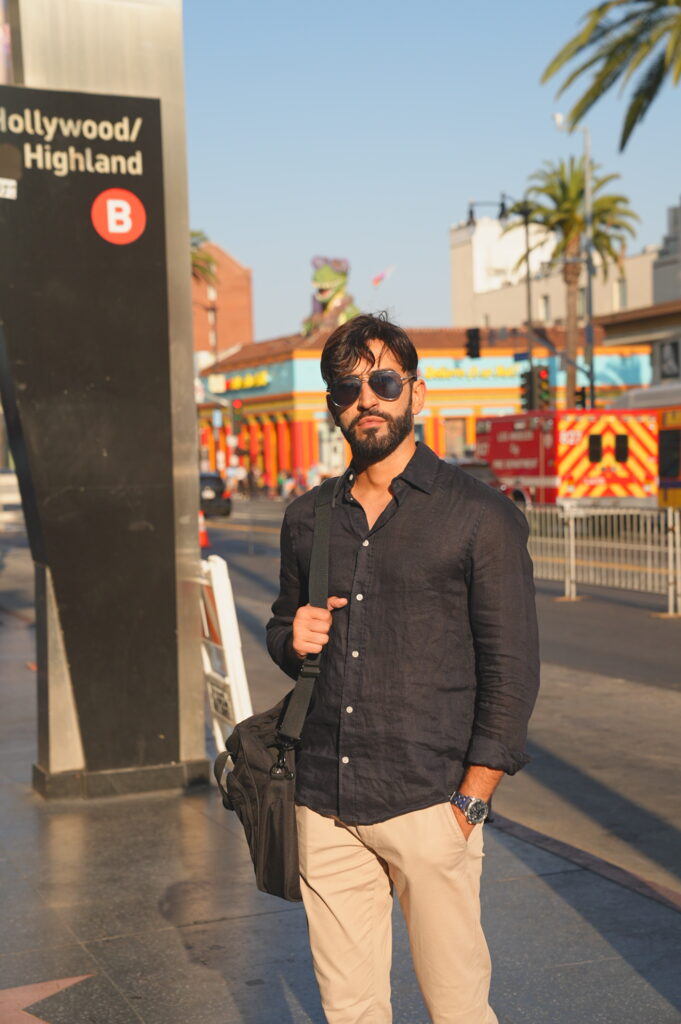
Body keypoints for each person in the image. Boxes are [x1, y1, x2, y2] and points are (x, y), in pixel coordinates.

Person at [266, 313, 539, 1024]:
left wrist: (470, 804)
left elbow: (511, 671)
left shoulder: (479, 517)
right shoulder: (306, 518)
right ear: (333, 405)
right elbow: (280, 627)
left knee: (456, 1008)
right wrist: (290, 637)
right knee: (349, 1010)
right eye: (349, 387)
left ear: (416, 392)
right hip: (324, 798)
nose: (367, 399)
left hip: (429, 801)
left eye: (383, 381)